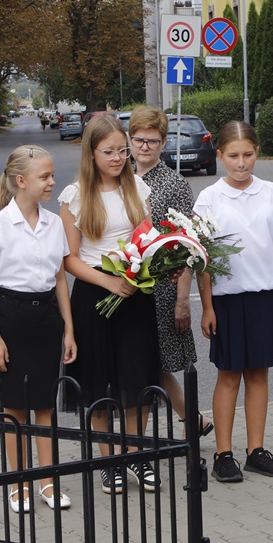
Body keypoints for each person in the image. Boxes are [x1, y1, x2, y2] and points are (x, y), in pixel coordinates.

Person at [59, 115, 161, 494]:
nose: (118, 158)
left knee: (137, 379)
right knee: (99, 382)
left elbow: (147, 238)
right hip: (96, 293)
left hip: (135, 292)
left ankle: (137, 456)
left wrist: (144, 271)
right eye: (109, 151)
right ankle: (108, 461)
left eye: (123, 150)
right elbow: (69, 258)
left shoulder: (137, 187)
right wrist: (109, 282)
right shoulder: (74, 196)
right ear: (91, 153)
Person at [0, 144, 77, 512]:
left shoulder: (53, 224)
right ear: (21, 181)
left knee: (45, 406)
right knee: (14, 408)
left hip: (46, 319)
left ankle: (48, 484)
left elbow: (60, 278)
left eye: (52, 175)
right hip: (10, 319)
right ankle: (18, 484)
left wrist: (68, 329)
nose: (52, 182)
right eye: (45, 177)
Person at [195, 121, 273, 483]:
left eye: (248, 155)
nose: (241, 163)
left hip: (266, 296)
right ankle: (224, 453)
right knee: (228, 376)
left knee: (259, 374)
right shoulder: (208, 199)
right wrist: (207, 305)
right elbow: (202, 256)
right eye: (234, 156)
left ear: (258, 153)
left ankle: (256, 450)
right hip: (226, 300)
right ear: (220, 155)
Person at [127, 106, 213, 438]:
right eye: (139, 139)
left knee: (154, 365)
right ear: (130, 140)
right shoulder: (120, 177)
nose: (145, 147)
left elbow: (186, 247)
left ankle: (138, 443)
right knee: (145, 364)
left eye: (152, 140)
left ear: (164, 143)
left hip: (161, 287)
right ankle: (194, 421)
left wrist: (182, 300)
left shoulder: (175, 184)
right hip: (127, 283)